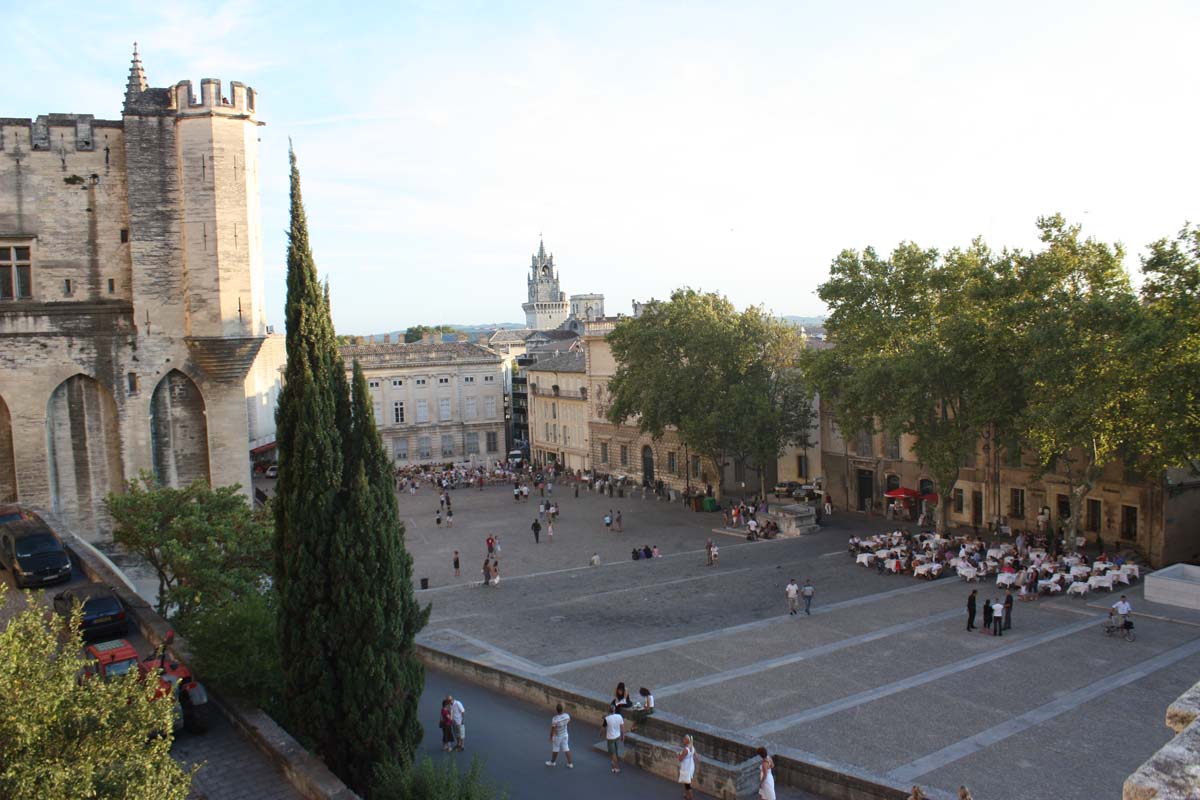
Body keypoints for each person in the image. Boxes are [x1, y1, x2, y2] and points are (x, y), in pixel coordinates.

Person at [545, 703, 573, 768]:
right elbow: (568, 722)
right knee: (566, 748)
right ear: (563, 709)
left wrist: (551, 737)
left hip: (557, 736)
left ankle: (552, 762)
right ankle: (570, 763)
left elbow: (553, 729)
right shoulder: (567, 716)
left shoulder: (555, 719)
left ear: (557, 710)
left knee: (556, 748)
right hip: (565, 734)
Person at [602, 708, 625, 773]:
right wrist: (623, 736)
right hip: (617, 736)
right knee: (616, 751)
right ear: (614, 710)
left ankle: (616, 767)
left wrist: (600, 734)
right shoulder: (619, 716)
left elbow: (603, 728)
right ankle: (613, 762)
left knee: (613, 753)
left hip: (610, 738)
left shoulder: (607, 719)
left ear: (609, 711)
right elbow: (622, 727)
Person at [677, 735, 696, 799]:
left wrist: (679, 755)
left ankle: (691, 798)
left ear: (688, 741)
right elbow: (696, 756)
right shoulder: (692, 747)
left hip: (686, 768)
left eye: (685, 739)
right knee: (687, 782)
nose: (683, 740)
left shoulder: (685, 750)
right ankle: (686, 795)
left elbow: (680, 759)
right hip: (691, 767)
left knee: (687, 785)